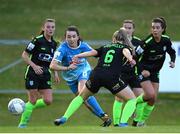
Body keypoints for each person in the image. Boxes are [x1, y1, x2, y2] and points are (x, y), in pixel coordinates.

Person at [52, 28, 137, 127]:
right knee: (132, 99)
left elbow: (92, 53)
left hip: (96, 75)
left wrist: (78, 55)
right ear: (125, 39)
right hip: (111, 78)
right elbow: (125, 51)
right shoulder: (125, 47)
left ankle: (64, 117)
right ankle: (123, 123)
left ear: (113, 39)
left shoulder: (106, 46)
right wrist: (130, 58)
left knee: (81, 97)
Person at [50, 25, 111, 127]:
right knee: (85, 102)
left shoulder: (83, 46)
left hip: (83, 71)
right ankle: (105, 118)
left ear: (78, 37)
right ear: (65, 38)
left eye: (74, 36)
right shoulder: (62, 49)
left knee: (82, 91)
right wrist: (67, 68)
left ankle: (64, 118)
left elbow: (95, 53)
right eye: (69, 37)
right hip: (70, 77)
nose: (71, 39)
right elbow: (52, 65)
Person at [18, 19, 60, 128]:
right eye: (48, 27)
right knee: (33, 100)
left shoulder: (54, 44)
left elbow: (53, 60)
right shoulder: (37, 40)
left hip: (45, 74)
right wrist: (34, 66)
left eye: (52, 27)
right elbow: (24, 55)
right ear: (43, 28)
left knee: (48, 100)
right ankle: (22, 124)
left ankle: (25, 107)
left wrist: (55, 73)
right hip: (33, 73)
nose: (50, 29)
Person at [134, 17, 176, 126]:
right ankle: (134, 104)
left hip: (155, 72)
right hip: (142, 71)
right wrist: (142, 70)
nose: (155, 30)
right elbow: (134, 58)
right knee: (150, 94)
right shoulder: (146, 42)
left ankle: (141, 122)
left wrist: (172, 61)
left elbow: (172, 52)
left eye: (157, 28)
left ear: (163, 29)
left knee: (153, 99)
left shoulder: (166, 40)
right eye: (153, 28)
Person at [112, 20, 145, 126]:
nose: (127, 30)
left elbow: (140, 59)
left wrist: (140, 71)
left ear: (133, 30)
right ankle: (117, 123)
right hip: (121, 73)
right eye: (125, 27)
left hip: (133, 74)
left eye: (129, 28)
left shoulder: (138, 42)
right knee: (119, 98)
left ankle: (137, 122)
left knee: (140, 97)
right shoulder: (118, 41)